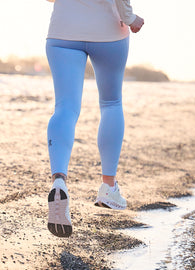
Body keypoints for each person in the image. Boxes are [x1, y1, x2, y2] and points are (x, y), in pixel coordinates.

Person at [45, 0, 144, 237]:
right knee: (111, 103)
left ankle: (59, 181)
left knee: (65, 108)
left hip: (63, 30)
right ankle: (108, 187)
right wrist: (129, 17)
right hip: (108, 31)